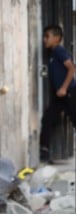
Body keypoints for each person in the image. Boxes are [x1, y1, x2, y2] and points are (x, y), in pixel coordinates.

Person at [39, 25, 76, 163]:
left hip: (70, 92)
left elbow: (72, 68)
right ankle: (44, 151)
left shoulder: (60, 51)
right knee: (48, 119)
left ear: (57, 38)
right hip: (59, 96)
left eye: (47, 36)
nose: (44, 40)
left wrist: (64, 88)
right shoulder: (53, 53)